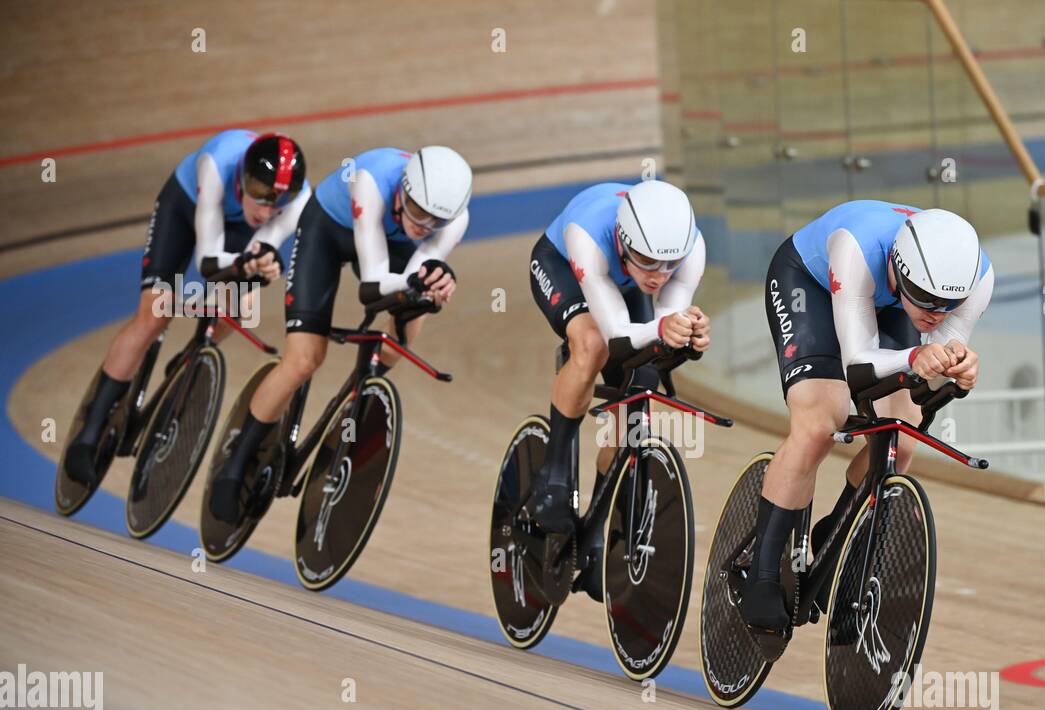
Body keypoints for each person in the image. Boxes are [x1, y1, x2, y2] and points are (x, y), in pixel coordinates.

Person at [742, 201, 993, 650]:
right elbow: (859, 364)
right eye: (928, 299)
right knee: (821, 420)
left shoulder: (974, 282)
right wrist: (918, 356)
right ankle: (761, 576)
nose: (936, 314)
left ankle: (837, 529)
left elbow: (929, 381)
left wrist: (957, 374)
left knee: (904, 435)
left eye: (948, 305)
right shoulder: (856, 246)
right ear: (898, 268)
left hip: (893, 302)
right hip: (813, 285)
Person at [207, 145, 472, 522]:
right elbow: (373, 284)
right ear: (404, 190)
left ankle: (359, 392)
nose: (423, 225)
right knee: (303, 360)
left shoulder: (455, 221)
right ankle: (234, 465)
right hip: (329, 231)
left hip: (394, 251)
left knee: (396, 348)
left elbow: (416, 271)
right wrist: (416, 284)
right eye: (417, 211)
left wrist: (433, 284)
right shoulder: (370, 183)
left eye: (436, 221)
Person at [63, 130, 309, 484]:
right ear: (242, 176)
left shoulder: (298, 201)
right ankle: (89, 432)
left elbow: (262, 248)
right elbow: (209, 260)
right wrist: (246, 266)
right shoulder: (216, 163)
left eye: (278, 201)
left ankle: (191, 355)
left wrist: (261, 265)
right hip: (187, 205)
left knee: (238, 305)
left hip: (238, 231)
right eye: (259, 193)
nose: (267, 209)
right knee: (154, 314)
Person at [525, 179, 710, 527]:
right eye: (646, 260)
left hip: (622, 283)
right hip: (564, 266)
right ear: (623, 242)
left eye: (670, 265)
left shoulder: (692, 248)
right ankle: (555, 472)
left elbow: (662, 332)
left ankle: (599, 518)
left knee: (643, 387)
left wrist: (687, 337)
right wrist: (663, 328)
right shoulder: (588, 235)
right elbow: (617, 339)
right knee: (592, 345)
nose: (659, 276)